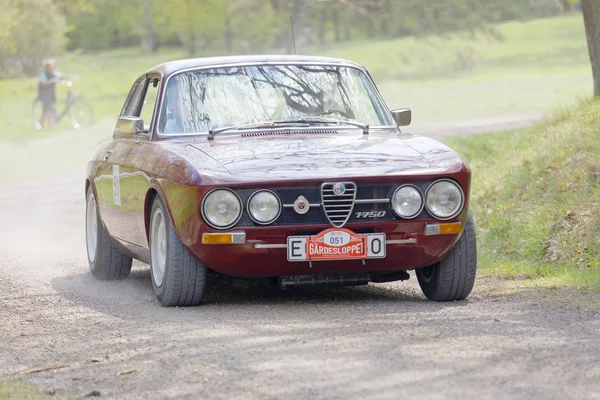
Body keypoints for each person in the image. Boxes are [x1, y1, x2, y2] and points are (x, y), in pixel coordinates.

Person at [37, 58, 63, 130]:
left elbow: (61, 75)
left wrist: (72, 77)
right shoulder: (43, 74)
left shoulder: (53, 73)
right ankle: (45, 126)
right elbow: (43, 84)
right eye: (50, 66)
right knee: (46, 111)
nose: (51, 68)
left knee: (48, 111)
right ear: (46, 67)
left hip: (51, 95)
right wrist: (51, 81)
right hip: (44, 95)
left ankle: (48, 126)